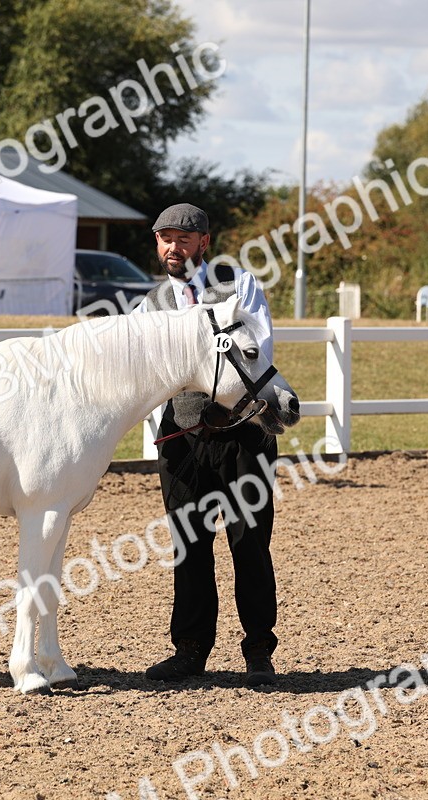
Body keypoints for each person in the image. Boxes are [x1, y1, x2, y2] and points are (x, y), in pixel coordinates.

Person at [135, 203, 281, 687]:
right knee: (189, 546)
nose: (173, 248)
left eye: (183, 238)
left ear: (204, 242)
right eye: (164, 239)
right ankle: (190, 651)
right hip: (181, 440)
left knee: (249, 542)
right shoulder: (150, 307)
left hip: (243, 436)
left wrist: (230, 410)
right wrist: (162, 433)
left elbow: (257, 348)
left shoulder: (238, 284)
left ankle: (259, 649)